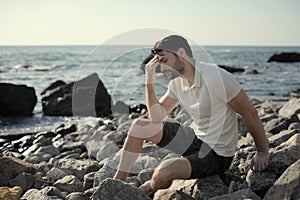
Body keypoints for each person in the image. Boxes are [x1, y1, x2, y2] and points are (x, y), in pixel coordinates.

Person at [113, 35, 269, 196]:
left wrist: (262, 151)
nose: (162, 68)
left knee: (163, 173)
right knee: (139, 126)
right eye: (159, 63)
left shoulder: (216, 78)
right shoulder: (177, 83)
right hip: (196, 140)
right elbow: (156, 117)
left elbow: (249, 112)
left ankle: (148, 188)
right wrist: (149, 81)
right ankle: (116, 183)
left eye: (164, 61)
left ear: (181, 53)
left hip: (218, 154)